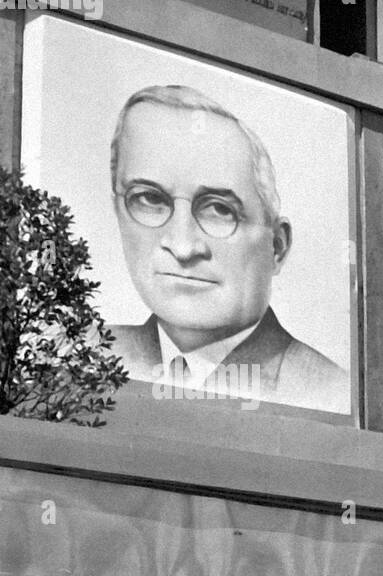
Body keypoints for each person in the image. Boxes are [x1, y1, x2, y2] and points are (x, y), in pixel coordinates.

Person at [108, 85, 349, 413]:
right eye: (149, 199)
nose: (182, 247)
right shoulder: (82, 352)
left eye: (220, 209)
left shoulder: (327, 391)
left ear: (276, 246)